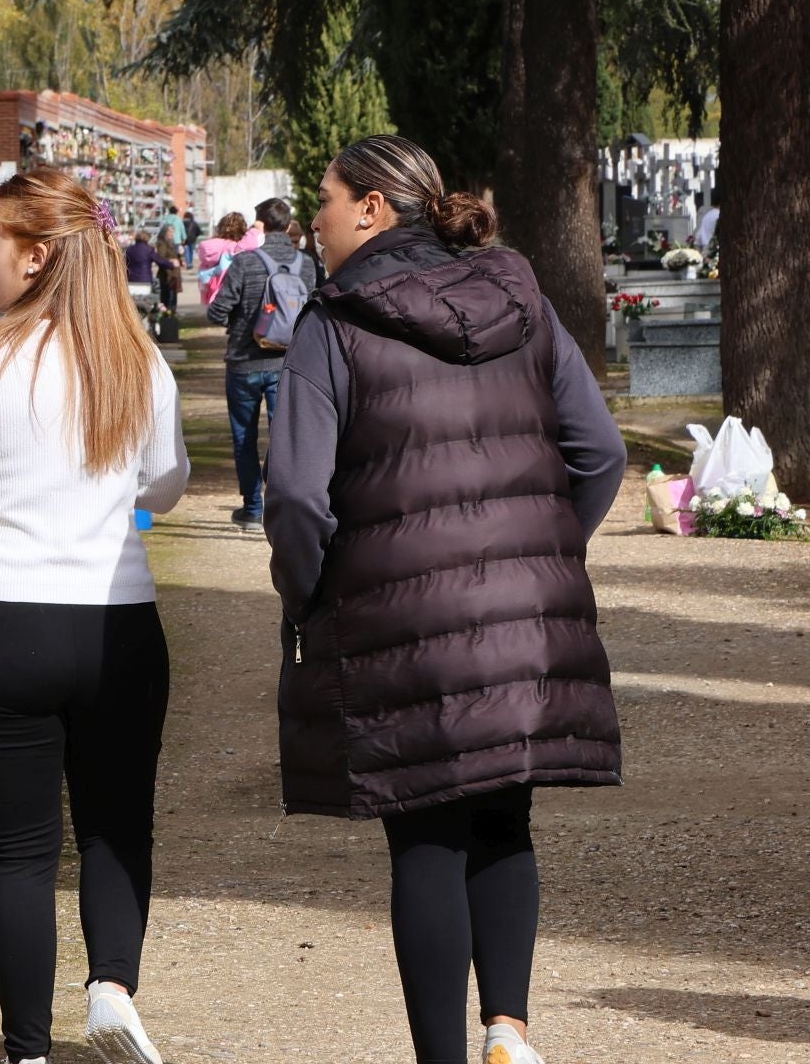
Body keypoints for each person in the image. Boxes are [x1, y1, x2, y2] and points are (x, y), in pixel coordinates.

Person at [265, 135, 627, 1064]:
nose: (316, 216)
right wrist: (536, 557)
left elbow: (301, 497)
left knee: (424, 831)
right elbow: (602, 452)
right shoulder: (523, 298)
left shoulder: (332, 325)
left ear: (375, 210)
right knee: (505, 814)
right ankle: (508, 1023)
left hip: (398, 628)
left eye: (327, 197)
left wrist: (308, 595)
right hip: (525, 619)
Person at [0, 167, 189, 1064]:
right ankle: (111, 990)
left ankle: (27, 1050)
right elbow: (166, 488)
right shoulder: (137, 360)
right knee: (115, 823)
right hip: (117, 622)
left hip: (6, 626)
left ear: (37, 254)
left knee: (20, 852)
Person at [206, 197, 314, 533]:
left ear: (262, 225)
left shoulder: (245, 262)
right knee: (284, 437)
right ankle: (284, 507)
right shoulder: (306, 264)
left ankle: (253, 509)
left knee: (244, 437)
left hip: (243, 363)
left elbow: (217, 311)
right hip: (287, 362)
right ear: (288, 225)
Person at [195, 211, 265, 304]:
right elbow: (254, 241)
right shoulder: (232, 248)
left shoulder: (211, 247)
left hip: (211, 299)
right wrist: (256, 228)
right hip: (227, 298)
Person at [153, 224, 184, 311]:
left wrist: (180, 258)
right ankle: (168, 315)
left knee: (173, 296)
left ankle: (172, 314)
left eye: (173, 232)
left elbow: (173, 255)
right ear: (164, 232)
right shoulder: (162, 243)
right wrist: (171, 261)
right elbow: (161, 258)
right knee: (167, 296)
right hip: (166, 273)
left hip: (173, 274)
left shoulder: (171, 242)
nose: (172, 234)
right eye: (170, 232)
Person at [124, 229, 162, 294]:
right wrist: (171, 264)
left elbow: (125, 264)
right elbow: (159, 261)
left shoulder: (129, 249)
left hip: (131, 279)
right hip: (145, 279)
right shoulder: (149, 249)